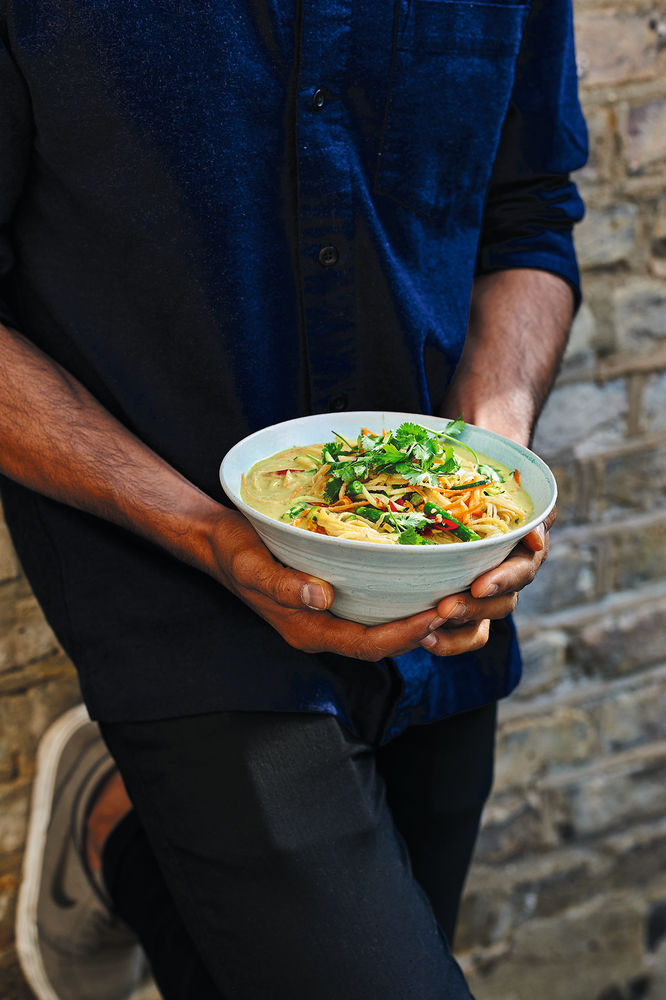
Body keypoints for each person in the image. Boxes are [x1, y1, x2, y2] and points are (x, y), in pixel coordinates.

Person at [1, 1, 587, 997]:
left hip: (437, 608)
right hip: (165, 586)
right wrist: (201, 529)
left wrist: (479, 474)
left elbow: (527, 216)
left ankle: (122, 841)